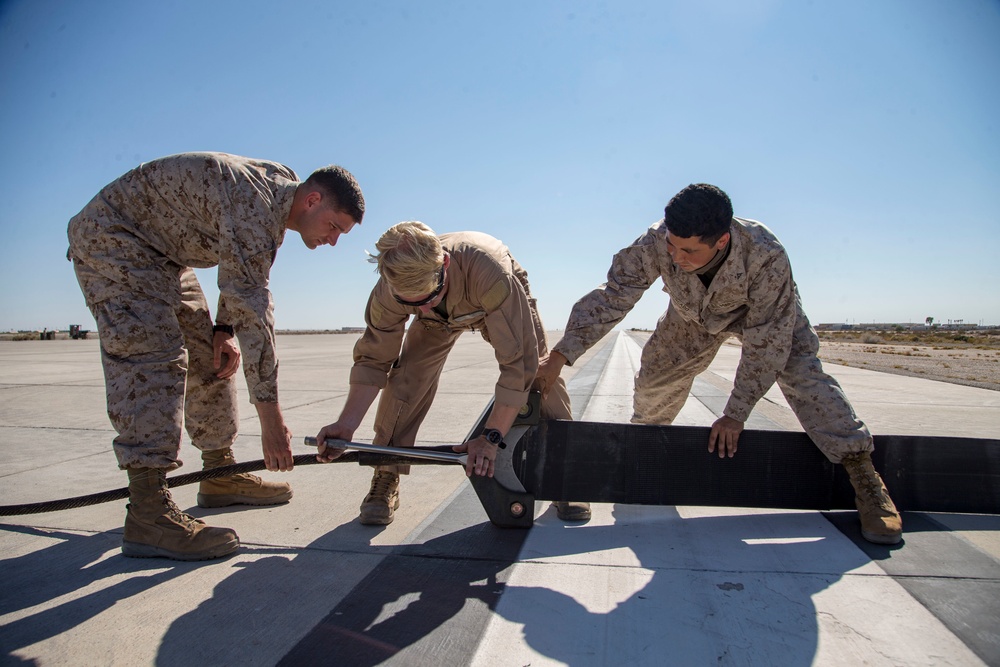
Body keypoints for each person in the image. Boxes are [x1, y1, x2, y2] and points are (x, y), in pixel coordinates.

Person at [535, 183, 902, 544]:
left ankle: (865, 478)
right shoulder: (657, 240)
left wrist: (735, 413)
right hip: (693, 318)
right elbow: (614, 296)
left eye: (690, 250)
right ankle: (644, 447)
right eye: (673, 246)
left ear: (721, 240)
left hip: (763, 317)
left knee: (804, 375)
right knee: (655, 381)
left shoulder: (765, 254)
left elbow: (766, 344)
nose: (677, 257)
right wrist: (560, 355)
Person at [67, 152, 365, 560]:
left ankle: (218, 473)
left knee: (210, 354)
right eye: (334, 227)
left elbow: (242, 272)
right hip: (114, 241)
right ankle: (148, 514)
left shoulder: (279, 196)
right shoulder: (256, 206)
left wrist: (223, 330)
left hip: (163, 256)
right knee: (153, 361)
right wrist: (271, 421)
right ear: (312, 200)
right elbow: (256, 312)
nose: (332, 241)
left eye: (341, 235)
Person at [314, 221, 590, 525]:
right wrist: (346, 423)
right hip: (436, 320)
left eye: (428, 295)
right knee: (406, 380)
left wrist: (491, 437)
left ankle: (568, 474)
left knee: (539, 374)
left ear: (443, 263)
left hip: (492, 298)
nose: (426, 306)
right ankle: (386, 473)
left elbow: (518, 365)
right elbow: (374, 359)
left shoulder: (492, 275)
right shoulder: (392, 289)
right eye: (412, 302)